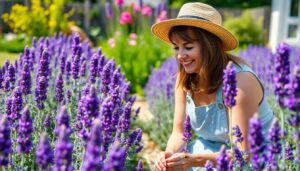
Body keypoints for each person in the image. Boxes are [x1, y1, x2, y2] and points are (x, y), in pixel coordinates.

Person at [151, 2, 274, 171]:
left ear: (210, 46)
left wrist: (194, 160)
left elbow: (243, 154)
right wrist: (169, 155)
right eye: (176, 47)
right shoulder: (184, 78)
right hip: (206, 152)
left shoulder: (240, 81)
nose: (180, 55)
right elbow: (179, 132)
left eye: (188, 47)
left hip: (256, 159)